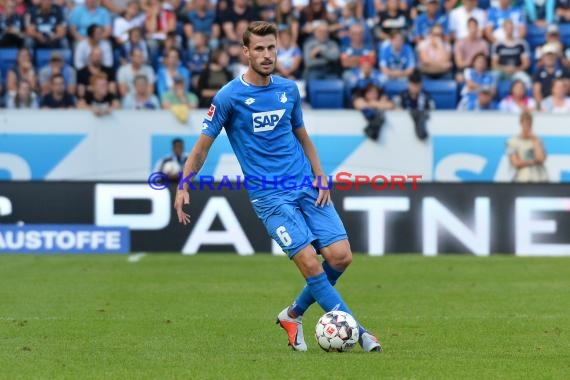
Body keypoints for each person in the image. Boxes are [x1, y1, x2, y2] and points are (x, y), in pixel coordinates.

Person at [174, 21, 382, 353]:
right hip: (270, 197)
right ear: (245, 52)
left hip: (305, 185)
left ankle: (293, 315)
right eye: (259, 48)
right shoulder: (229, 97)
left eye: (271, 47)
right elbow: (201, 149)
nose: (267, 54)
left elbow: (302, 134)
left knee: (341, 258)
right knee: (311, 264)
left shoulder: (288, 89)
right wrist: (184, 184)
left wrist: (319, 173)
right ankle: (359, 331)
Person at [506, 111, 548, 182]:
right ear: (521, 123)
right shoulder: (512, 142)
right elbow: (516, 163)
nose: (527, 126)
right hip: (523, 178)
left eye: (529, 124)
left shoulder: (538, 140)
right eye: (525, 123)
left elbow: (541, 159)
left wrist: (534, 140)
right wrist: (533, 162)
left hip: (540, 178)